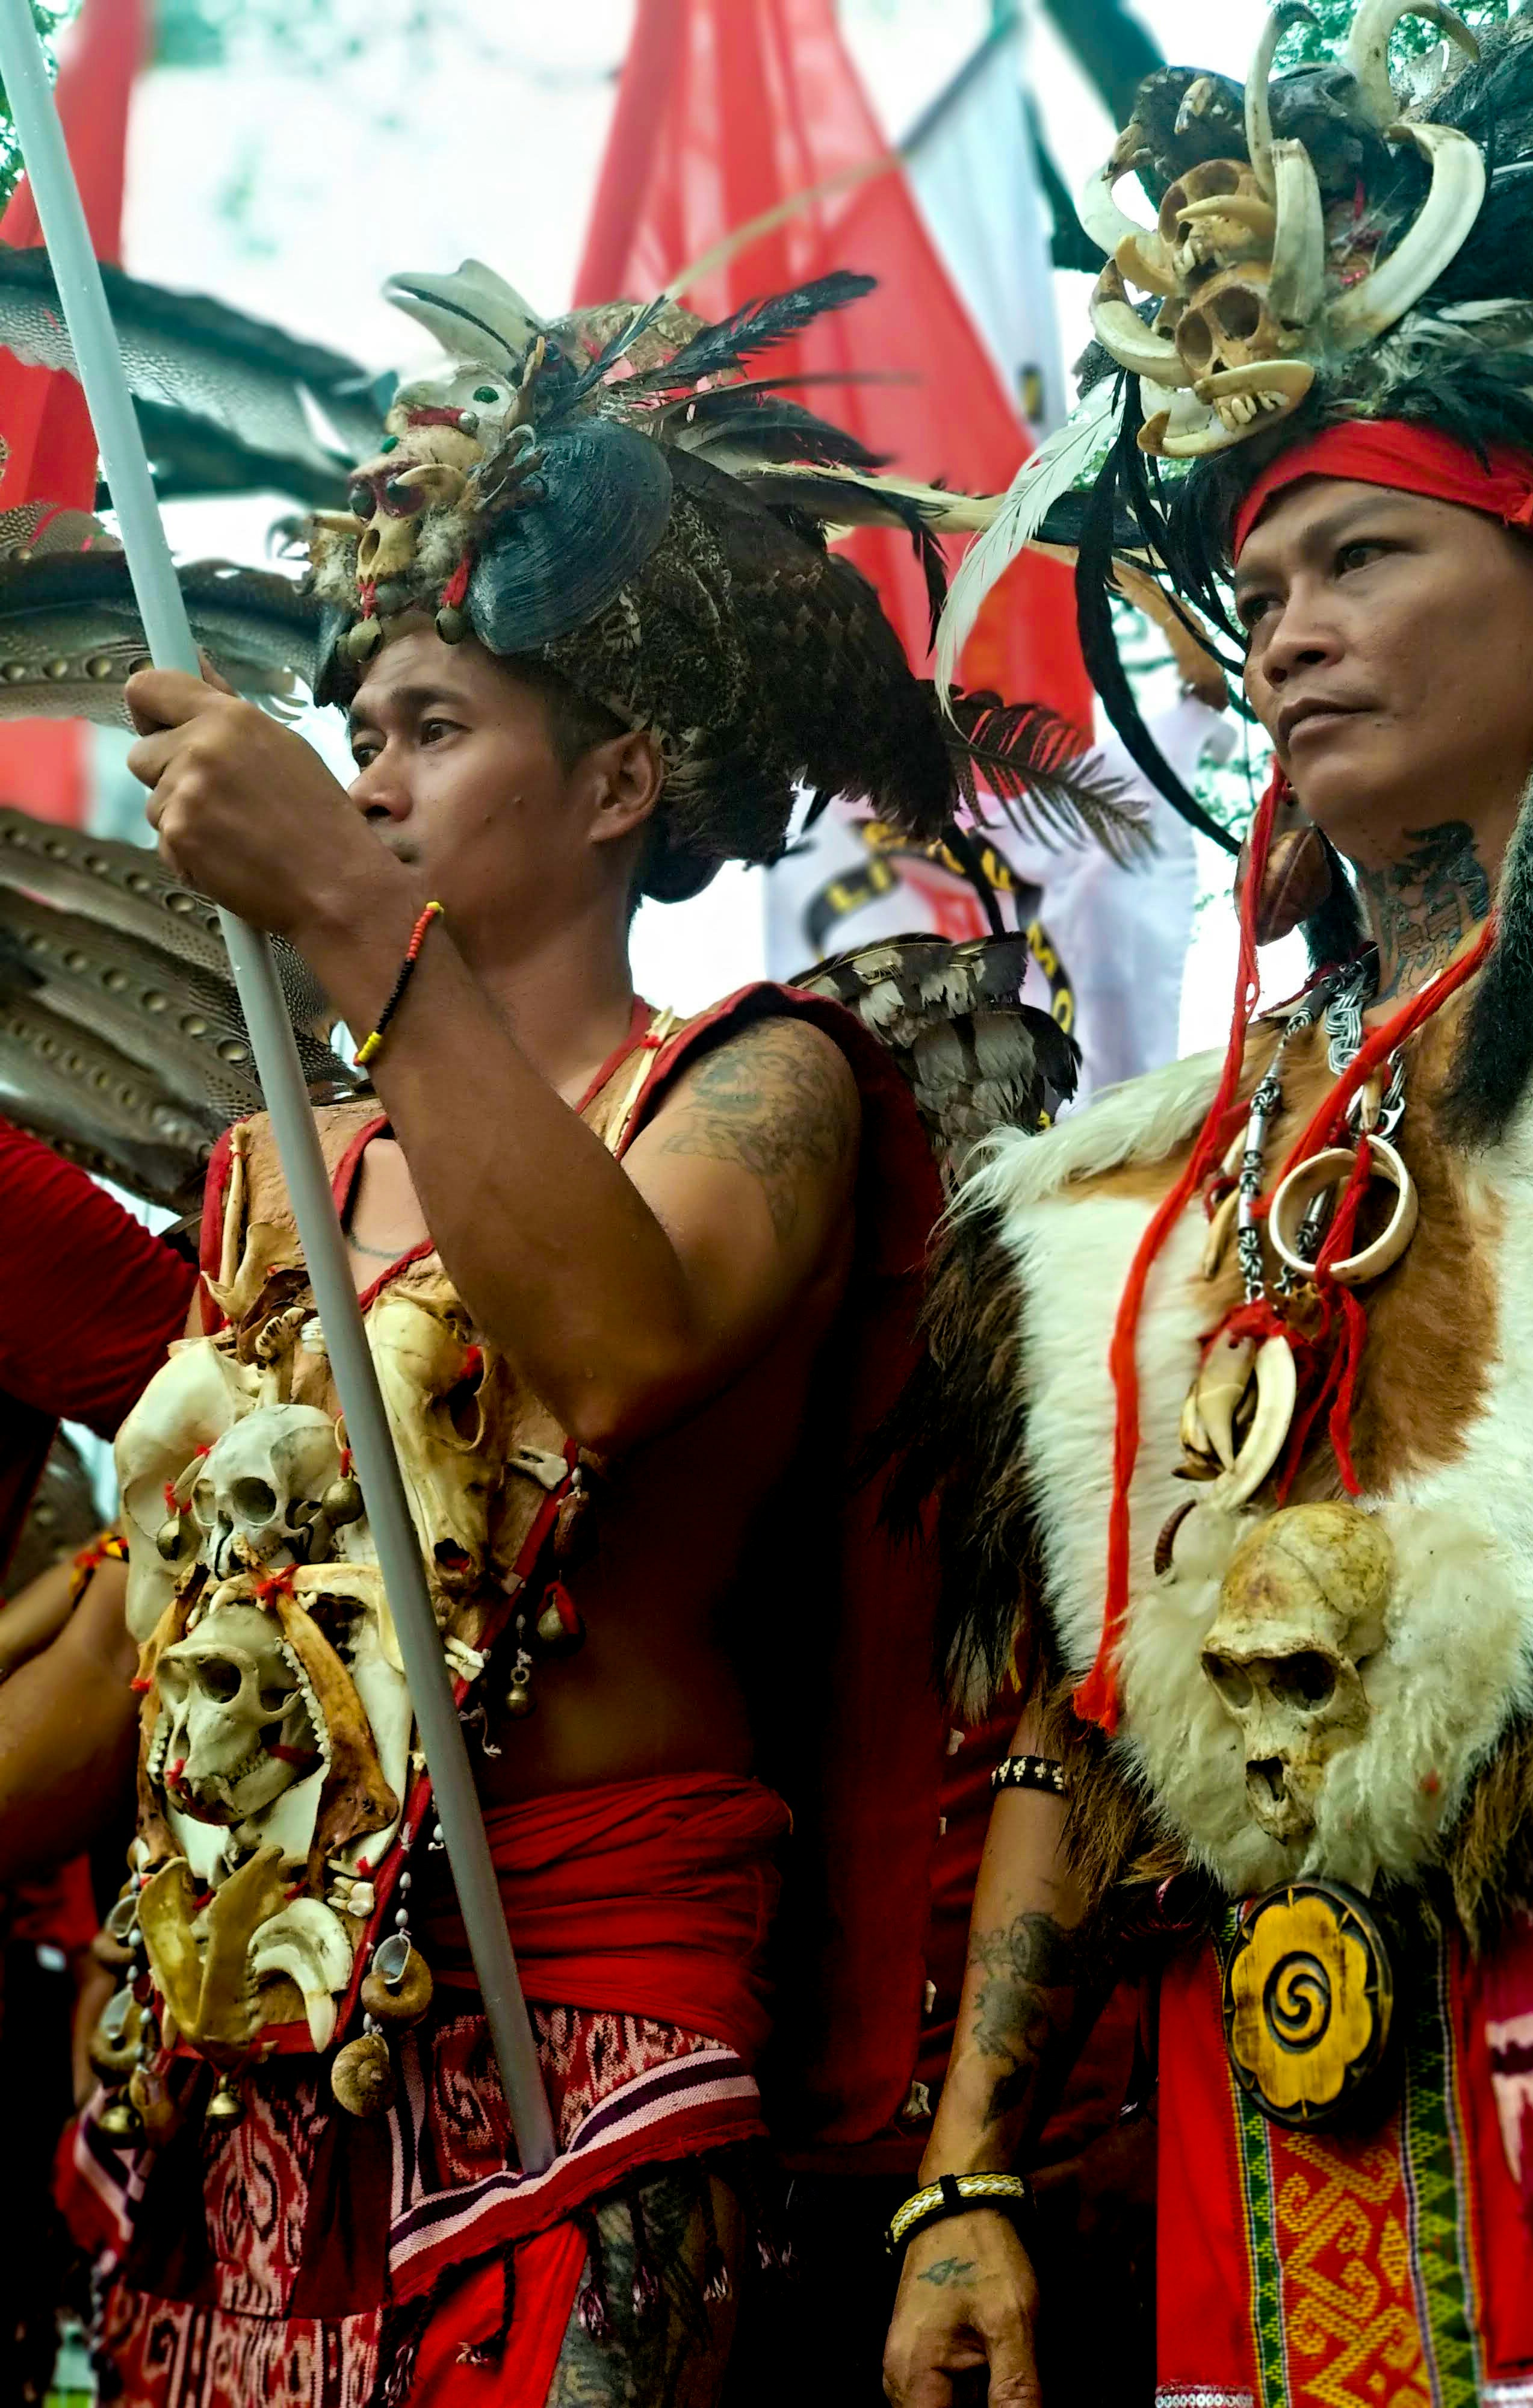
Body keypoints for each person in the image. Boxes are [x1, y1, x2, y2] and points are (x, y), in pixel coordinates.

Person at [0, 259, 1123, 2408]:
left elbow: (611, 1356)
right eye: (360, 745)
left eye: (435, 731)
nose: (380, 782)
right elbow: (166, 1640)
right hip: (245, 2086)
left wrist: (345, 909)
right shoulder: (277, 1177)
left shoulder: (759, 1081)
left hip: (579, 2057)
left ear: (619, 784)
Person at [883, 5, 1533, 2403]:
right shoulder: (1168, 1162)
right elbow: (1093, 1707)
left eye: (1359, 555)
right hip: (1256, 2165)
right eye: (1258, 581)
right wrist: (971, 2171)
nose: (1280, 628)